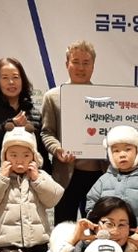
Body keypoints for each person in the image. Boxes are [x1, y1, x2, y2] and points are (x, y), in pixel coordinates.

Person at [0, 127, 64, 252]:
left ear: (34, 156)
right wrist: (1, 178)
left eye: (26, 155)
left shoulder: (40, 175)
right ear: (4, 155)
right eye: (13, 155)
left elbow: (53, 198)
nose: (19, 160)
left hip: (37, 243)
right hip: (5, 244)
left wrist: (37, 179)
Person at [41, 40, 105, 224]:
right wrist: (58, 150)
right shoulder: (52, 96)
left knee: (96, 228)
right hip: (66, 174)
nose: (81, 68)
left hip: (100, 174)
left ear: (93, 65)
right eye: (75, 62)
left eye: (86, 62)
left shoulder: (105, 97)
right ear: (67, 64)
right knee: (64, 228)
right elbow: (47, 132)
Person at [86, 125, 138, 235]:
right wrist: (97, 226)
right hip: (107, 237)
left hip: (137, 239)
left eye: (128, 149)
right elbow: (91, 204)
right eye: (116, 151)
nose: (122, 154)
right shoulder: (103, 180)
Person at [0, 58, 48, 175]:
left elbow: (41, 152)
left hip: (30, 179)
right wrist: (8, 125)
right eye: (5, 78)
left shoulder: (33, 112)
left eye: (15, 77)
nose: (11, 82)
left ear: (22, 80)